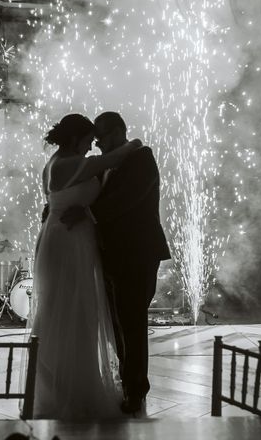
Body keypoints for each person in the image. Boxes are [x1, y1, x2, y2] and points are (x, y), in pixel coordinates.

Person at [30, 113, 142, 419]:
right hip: (68, 244)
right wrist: (136, 141)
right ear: (77, 138)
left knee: (71, 312)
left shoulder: (55, 162)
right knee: (72, 313)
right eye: (90, 140)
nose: (93, 146)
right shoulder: (70, 164)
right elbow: (121, 154)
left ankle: (63, 384)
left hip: (65, 239)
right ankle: (70, 390)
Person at [62, 111, 171, 414]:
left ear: (120, 131)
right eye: (95, 140)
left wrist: (87, 215)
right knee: (117, 323)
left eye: (103, 138)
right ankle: (126, 383)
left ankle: (136, 390)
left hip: (137, 254)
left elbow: (127, 199)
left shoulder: (142, 158)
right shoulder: (106, 165)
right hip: (110, 255)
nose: (98, 146)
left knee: (132, 323)